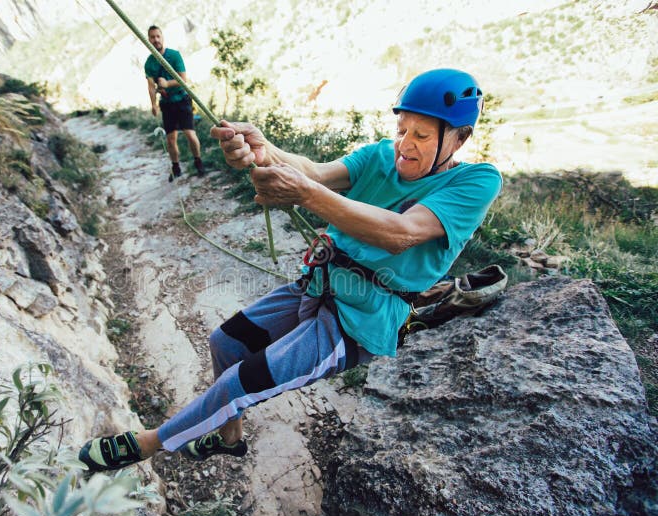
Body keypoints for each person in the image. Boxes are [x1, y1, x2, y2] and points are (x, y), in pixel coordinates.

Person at [79, 68, 502, 471]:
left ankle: (148, 443)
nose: (404, 143)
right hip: (318, 285)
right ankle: (230, 438)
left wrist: (305, 195)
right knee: (224, 342)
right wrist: (267, 151)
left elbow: (402, 233)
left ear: (458, 140)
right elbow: (316, 173)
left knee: (238, 383)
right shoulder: (379, 157)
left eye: (421, 135)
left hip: (360, 320)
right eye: (401, 129)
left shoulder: (475, 182)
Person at [144, 25, 205, 182]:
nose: (156, 39)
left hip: (182, 100)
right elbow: (151, 86)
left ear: (162, 37)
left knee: (190, 134)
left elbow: (183, 80)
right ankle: (176, 167)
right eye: (152, 37)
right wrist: (153, 104)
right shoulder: (149, 63)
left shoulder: (174, 55)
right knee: (171, 139)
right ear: (148, 40)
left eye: (158, 36)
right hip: (167, 104)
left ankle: (198, 162)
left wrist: (167, 84)